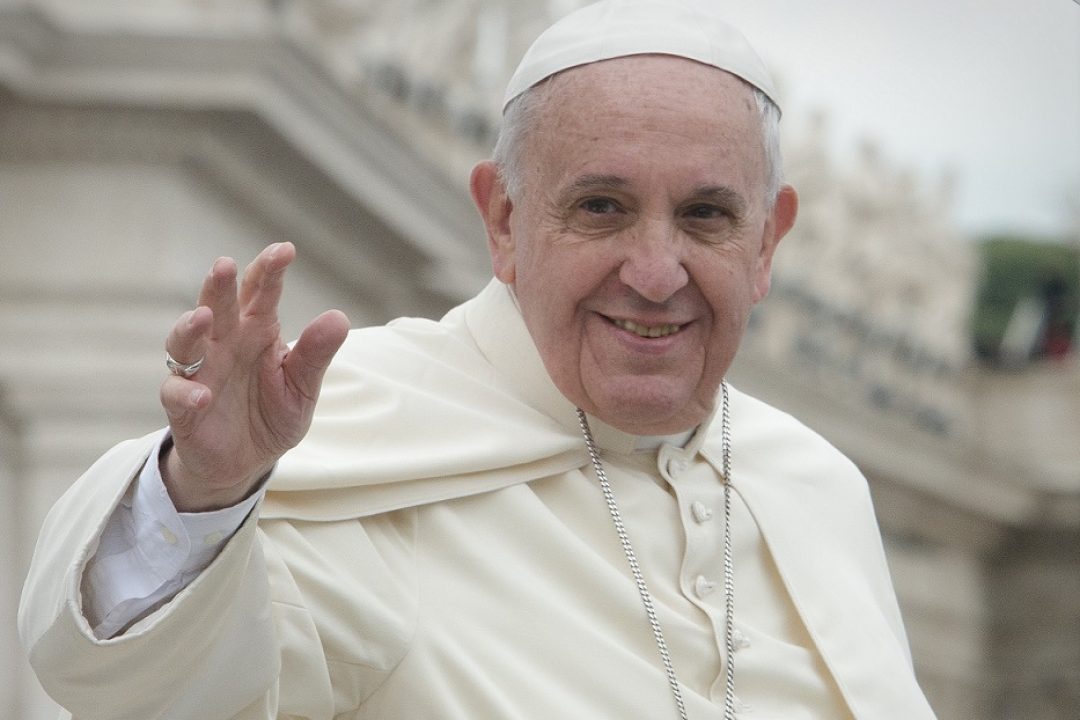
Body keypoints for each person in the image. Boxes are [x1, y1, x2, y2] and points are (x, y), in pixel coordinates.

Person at [19, 1, 937, 718]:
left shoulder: (818, 487)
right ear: (502, 219)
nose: (657, 274)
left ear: (769, 242)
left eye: (706, 215)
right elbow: (141, 693)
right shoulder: (348, 445)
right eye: (603, 208)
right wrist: (204, 496)